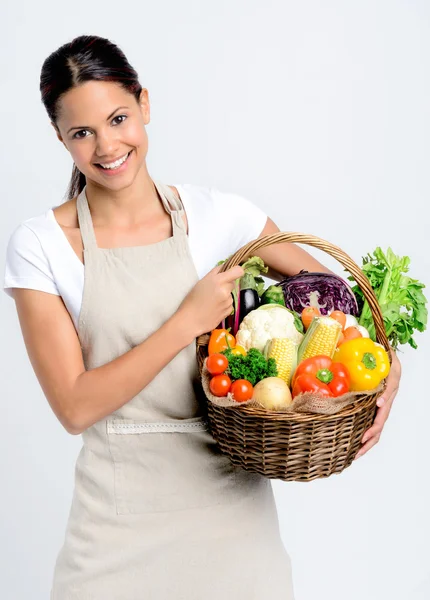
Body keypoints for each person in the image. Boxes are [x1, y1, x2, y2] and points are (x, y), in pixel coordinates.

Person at [3, 34, 401, 600]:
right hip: (115, 528)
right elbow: (74, 405)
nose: (106, 145)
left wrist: (393, 368)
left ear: (145, 104)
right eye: (82, 132)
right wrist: (184, 322)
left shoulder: (223, 217)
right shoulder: (40, 245)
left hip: (233, 523)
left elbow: (345, 304)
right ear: (60, 138)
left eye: (118, 118)